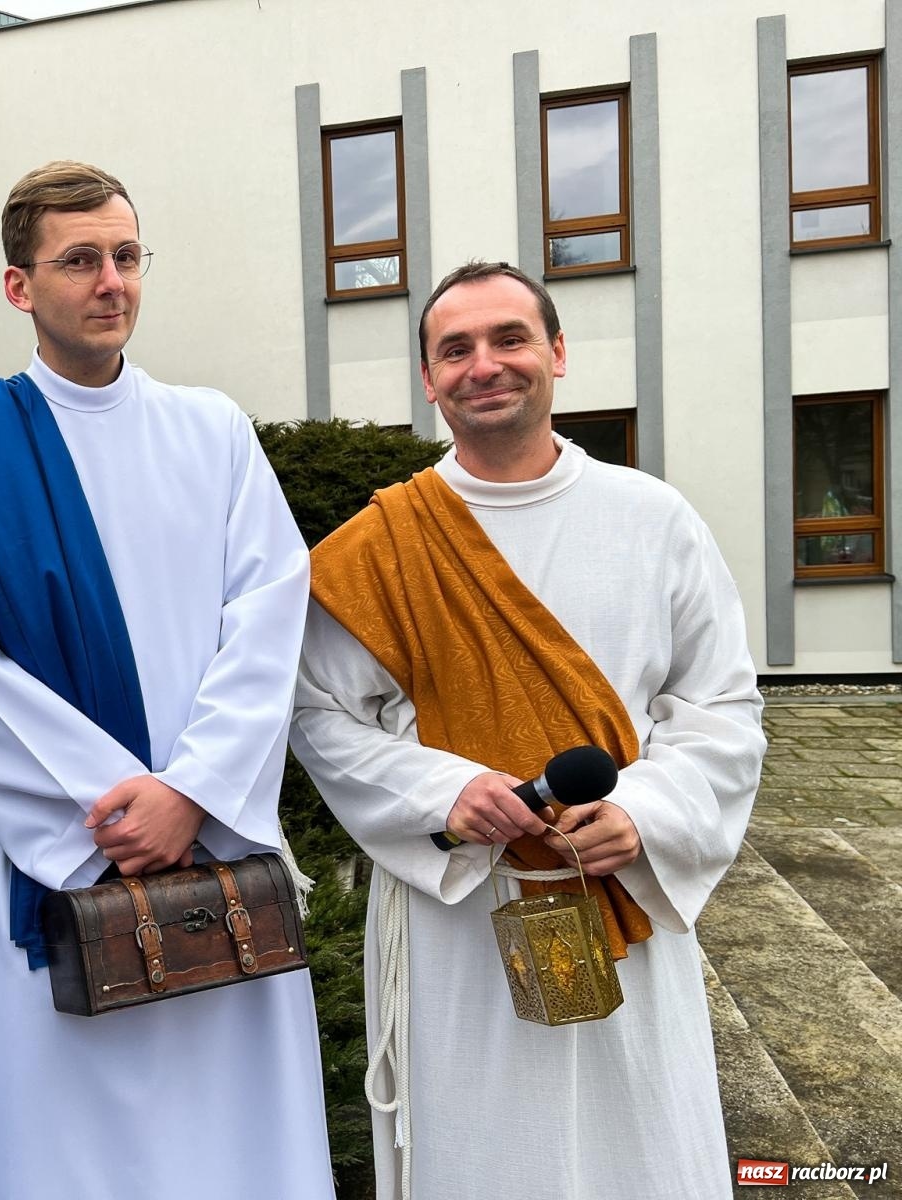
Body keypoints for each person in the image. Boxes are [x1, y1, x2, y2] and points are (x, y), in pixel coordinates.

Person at [0, 160, 335, 1199]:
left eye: (127, 256)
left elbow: (269, 615)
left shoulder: (213, 431)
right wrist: (119, 814)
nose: (111, 281)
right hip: (54, 856)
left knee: (229, 1147)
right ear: (19, 286)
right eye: (81, 259)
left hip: (212, 851)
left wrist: (193, 794)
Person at [290, 260, 766, 1199]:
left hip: (616, 886)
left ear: (557, 352)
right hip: (460, 913)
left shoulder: (653, 518)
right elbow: (316, 712)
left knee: (641, 1146)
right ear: (429, 379)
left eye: (510, 338)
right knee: (483, 1147)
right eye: (455, 349)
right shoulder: (379, 547)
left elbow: (721, 704)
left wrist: (646, 812)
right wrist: (442, 792)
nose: (485, 365)